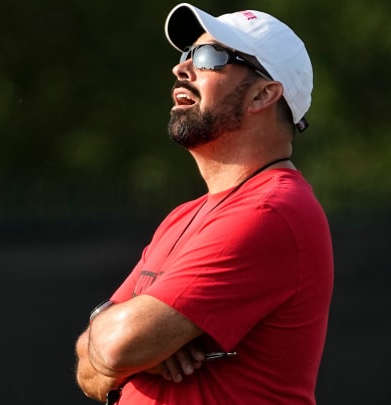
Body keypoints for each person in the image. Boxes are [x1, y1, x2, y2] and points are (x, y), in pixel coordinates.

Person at [74, 3, 333, 405]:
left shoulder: (272, 210)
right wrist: (119, 342)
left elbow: (114, 349)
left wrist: (122, 344)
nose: (182, 69)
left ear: (264, 94)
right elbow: (89, 370)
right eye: (185, 55)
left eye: (209, 57)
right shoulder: (182, 217)